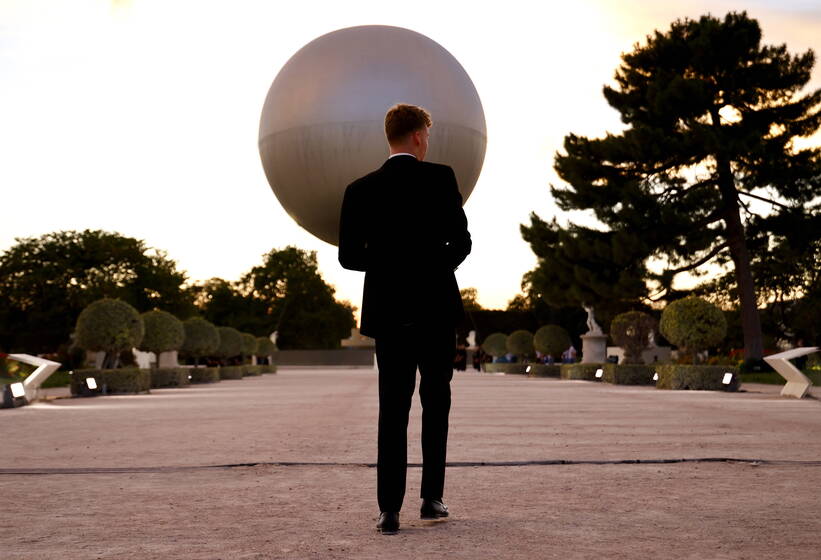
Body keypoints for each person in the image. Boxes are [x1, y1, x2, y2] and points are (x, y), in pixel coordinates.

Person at [338, 103, 472, 535]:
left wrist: (388, 263)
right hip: (435, 310)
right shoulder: (442, 178)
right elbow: (463, 242)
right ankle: (431, 500)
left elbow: (348, 256)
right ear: (418, 137)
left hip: (389, 312)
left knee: (392, 411)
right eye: (427, 136)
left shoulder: (359, 189)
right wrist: (434, 265)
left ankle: (388, 510)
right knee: (436, 406)